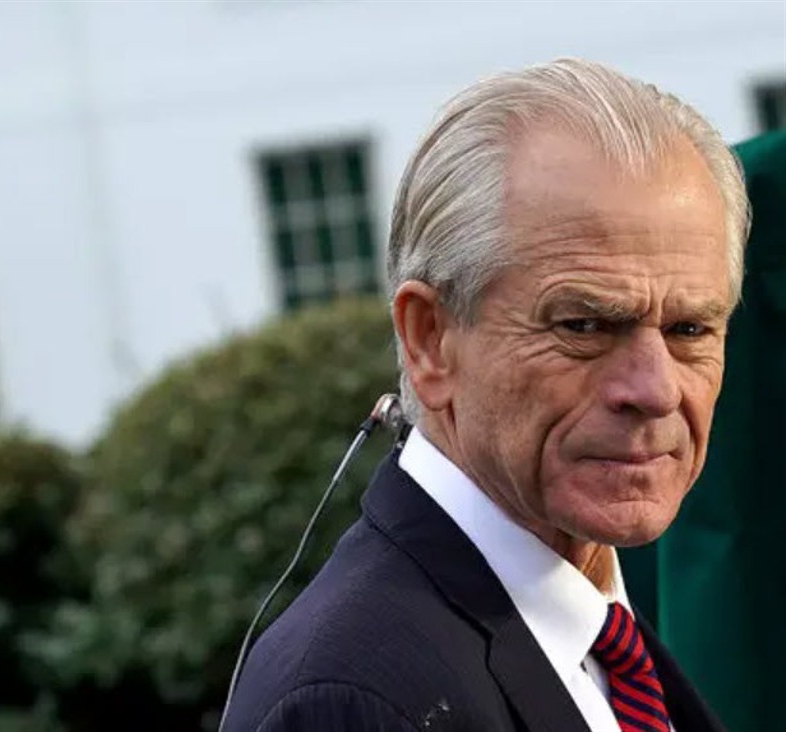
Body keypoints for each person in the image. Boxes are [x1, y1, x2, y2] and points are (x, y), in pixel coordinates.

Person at [221, 58, 748, 732]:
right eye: (583, 325)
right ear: (430, 339)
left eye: (689, 329)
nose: (655, 390)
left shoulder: (597, 633)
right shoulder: (351, 700)